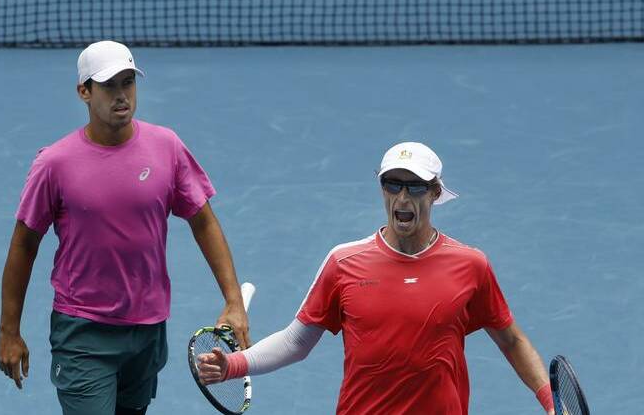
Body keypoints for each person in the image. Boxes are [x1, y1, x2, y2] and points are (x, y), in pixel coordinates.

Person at [197, 142, 555, 414]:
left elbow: (511, 340)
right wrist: (233, 365)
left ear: (434, 193)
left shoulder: (470, 264)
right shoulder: (344, 262)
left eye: (415, 187)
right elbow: (296, 341)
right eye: (392, 184)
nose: (402, 197)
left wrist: (551, 403)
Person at [0, 40, 250, 415]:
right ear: (84, 91)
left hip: (148, 329)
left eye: (128, 82)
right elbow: (23, 245)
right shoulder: (55, 164)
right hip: (83, 331)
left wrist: (233, 301)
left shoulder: (167, 147)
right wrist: (9, 331)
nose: (122, 95)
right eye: (109, 85)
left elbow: (204, 221)